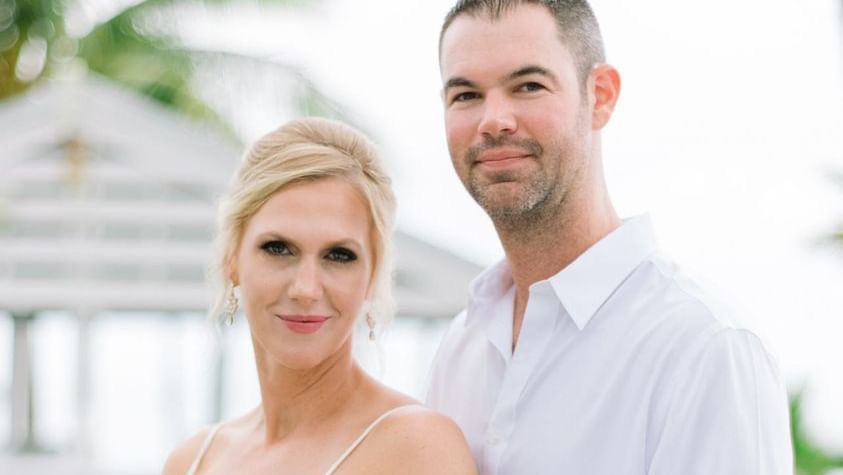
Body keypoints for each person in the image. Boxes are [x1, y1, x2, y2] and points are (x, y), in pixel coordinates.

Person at [425, 1, 793, 474]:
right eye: (466, 95)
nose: (494, 120)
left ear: (600, 95)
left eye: (529, 86)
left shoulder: (706, 348)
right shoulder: (461, 347)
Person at [163, 117, 477, 475]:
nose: (306, 289)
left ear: (373, 275)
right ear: (231, 261)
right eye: (278, 248)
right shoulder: (194, 460)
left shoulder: (415, 447)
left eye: (339, 256)